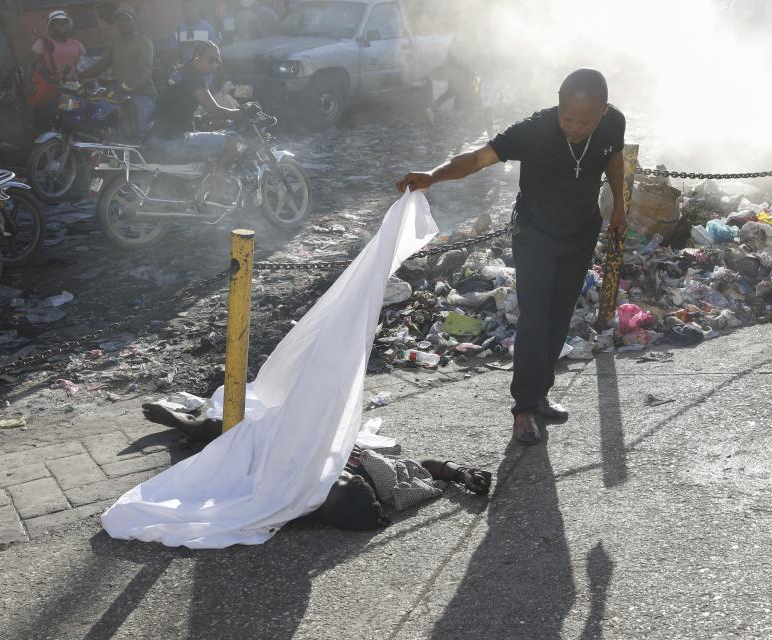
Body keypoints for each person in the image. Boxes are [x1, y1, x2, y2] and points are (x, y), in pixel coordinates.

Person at [396, 68, 627, 445]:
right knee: (535, 318)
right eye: (567, 117)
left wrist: (618, 207)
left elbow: (614, 156)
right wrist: (432, 176)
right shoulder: (533, 131)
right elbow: (476, 159)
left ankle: (541, 394)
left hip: (580, 235)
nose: (573, 126)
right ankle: (522, 409)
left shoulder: (613, 123)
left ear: (603, 112)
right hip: (534, 236)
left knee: (559, 316)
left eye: (584, 121)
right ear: (558, 103)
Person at [141, 402, 493, 531]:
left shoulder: (293, 502)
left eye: (332, 483)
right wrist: (460, 472)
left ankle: (190, 426)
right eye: (348, 478)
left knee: (243, 436)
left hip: (275, 461)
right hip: (316, 440)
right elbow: (424, 467)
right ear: (363, 484)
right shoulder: (385, 480)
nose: (339, 475)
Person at [147, 40, 248, 203]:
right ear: (197, 58)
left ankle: (198, 186)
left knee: (212, 134)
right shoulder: (194, 78)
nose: (215, 65)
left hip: (159, 135)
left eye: (218, 61)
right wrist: (241, 113)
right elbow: (215, 110)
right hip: (175, 141)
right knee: (231, 145)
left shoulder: (180, 72)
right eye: (211, 60)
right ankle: (216, 195)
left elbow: (177, 106)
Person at [79, 6, 156, 139]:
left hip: (142, 96)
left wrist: (129, 87)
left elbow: (146, 72)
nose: (122, 23)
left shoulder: (144, 42)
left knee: (137, 136)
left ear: (134, 21)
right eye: (119, 20)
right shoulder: (116, 43)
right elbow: (100, 66)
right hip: (122, 98)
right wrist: (78, 76)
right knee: (114, 132)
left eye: (126, 19)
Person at [26, 10, 86, 130]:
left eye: (64, 22)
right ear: (51, 26)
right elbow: (29, 65)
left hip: (72, 88)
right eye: (57, 23)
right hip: (53, 89)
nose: (62, 26)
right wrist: (28, 84)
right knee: (52, 123)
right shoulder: (43, 43)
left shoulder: (77, 44)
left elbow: (84, 66)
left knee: (77, 116)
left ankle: (74, 143)